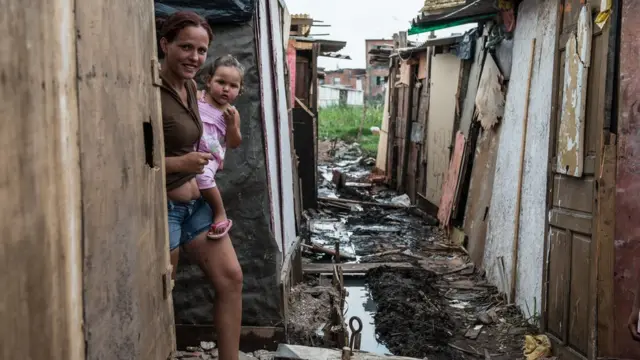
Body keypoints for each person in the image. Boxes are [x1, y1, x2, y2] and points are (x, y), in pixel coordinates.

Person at [157, 11, 243, 360]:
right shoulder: (149, 90)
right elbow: (124, 164)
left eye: (201, 50)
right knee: (160, 298)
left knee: (232, 280)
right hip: (166, 210)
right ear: (165, 44)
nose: (194, 57)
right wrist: (181, 164)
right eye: (186, 47)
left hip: (197, 207)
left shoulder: (191, 88)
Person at [195, 55, 244, 239]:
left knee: (203, 176)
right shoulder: (198, 97)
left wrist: (231, 125)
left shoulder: (231, 113)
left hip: (210, 154)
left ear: (240, 90)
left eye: (233, 86)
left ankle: (219, 211)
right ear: (208, 81)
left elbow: (234, 143)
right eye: (221, 82)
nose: (226, 89)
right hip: (190, 147)